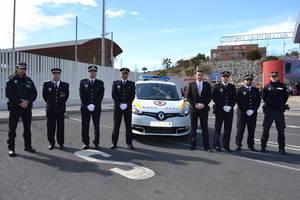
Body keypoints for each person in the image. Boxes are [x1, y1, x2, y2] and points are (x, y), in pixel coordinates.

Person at [5, 62, 37, 157]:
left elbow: (34, 93)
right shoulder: (11, 80)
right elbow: (8, 94)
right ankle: (11, 148)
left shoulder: (29, 80)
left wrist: (28, 102)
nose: (23, 70)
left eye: (24, 68)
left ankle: (28, 146)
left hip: (26, 108)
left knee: (27, 128)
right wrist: (20, 102)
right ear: (17, 68)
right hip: (15, 108)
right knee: (12, 129)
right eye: (21, 68)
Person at [261, 71, 289, 155]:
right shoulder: (266, 87)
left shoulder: (282, 86)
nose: (274, 77)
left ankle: (281, 148)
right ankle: (263, 147)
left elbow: (285, 97)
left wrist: (280, 105)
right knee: (265, 130)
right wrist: (270, 106)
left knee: (281, 131)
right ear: (270, 77)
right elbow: (264, 98)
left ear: (278, 77)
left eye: (275, 76)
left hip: (279, 112)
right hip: (269, 112)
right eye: (272, 76)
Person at [42, 68, 69, 150]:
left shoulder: (65, 85)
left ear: (60, 75)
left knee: (61, 127)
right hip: (50, 110)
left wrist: (60, 105)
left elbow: (66, 96)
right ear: (52, 74)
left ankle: (61, 143)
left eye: (58, 74)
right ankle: (51, 143)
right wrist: (51, 104)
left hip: (61, 109)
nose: (56, 75)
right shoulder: (47, 84)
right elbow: (45, 96)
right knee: (50, 127)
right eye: (54, 74)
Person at [79, 65, 105, 150]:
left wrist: (94, 105)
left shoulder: (100, 83)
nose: (93, 73)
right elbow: (82, 95)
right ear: (88, 72)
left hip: (96, 108)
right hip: (85, 108)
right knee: (85, 125)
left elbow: (100, 96)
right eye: (91, 71)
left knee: (96, 126)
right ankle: (85, 143)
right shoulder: (83, 82)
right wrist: (87, 105)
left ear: (96, 73)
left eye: (94, 71)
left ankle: (96, 142)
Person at [186, 70, 212, 151]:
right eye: (198, 75)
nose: (199, 76)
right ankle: (193, 145)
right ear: (195, 76)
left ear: (203, 76)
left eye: (201, 75)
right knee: (193, 127)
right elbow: (188, 97)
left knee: (204, 127)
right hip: (194, 109)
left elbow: (209, 97)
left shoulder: (207, 85)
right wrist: (195, 104)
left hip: (204, 109)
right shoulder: (191, 84)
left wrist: (203, 104)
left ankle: (206, 146)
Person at [111, 68, 135, 150]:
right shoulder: (115, 83)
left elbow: (132, 96)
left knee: (128, 126)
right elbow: (114, 95)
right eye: (123, 73)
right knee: (116, 125)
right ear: (120, 74)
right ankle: (114, 143)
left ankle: (129, 143)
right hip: (118, 108)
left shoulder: (131, 84)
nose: (124, 75)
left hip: (127, 108)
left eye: (126, 73)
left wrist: (127, 104)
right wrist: (120, 103)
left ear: (128, 74)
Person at [212, 71, 236, 152]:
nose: (225, 78)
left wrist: (230, 106)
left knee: (228, 129)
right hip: (220, 111)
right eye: (224, 77)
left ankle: (226, 145)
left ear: (228, 77)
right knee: (218, 128)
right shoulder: (217, 86)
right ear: (221, 77)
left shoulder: (232, 87)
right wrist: (223, 106)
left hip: (229, 110)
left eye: (227, 77)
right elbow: (215, 98)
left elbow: (234, 98)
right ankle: (216, 144)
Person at [235, 74, 261, 151]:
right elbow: (239, 102)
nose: (249, 81)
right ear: (244, 81)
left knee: (251, 131)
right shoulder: (239, 90)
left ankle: (251, 145)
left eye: (250, 80)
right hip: (242, 114)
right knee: (240, 130)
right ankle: (238, 145)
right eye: (247, 80)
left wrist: (253, 110)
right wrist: (246, 110)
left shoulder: (255, 90)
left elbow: (258, 101)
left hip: (252, 113)